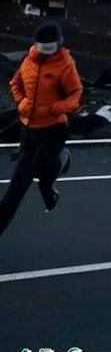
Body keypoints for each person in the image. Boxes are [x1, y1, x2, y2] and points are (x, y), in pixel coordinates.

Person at [0, 21, 82, 239]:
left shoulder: (65, 64)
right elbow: (15, 83)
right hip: (30, 130)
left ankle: (60, 161)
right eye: (42, 47)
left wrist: (57, 108)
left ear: (58, 44)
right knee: (15, 189)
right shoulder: (29, 59)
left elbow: (75, 95)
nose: (45, 51)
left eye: (50, 47)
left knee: (36, 170)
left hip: (54, 129)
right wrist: (21, 102)